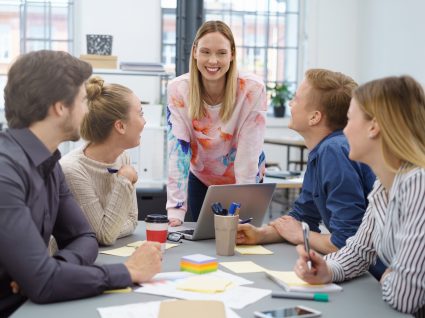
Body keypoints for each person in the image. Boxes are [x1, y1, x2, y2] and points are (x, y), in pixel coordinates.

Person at [0, 50, 161, 316]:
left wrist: (54, 269)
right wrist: (128, 271)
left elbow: (84, 237)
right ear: (60, 107)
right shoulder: (6, 174)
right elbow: (44, 283)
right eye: (83, 100)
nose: (88, 110)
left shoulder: (50, 162)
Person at [294, 75, 425, 317]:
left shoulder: (418, 184)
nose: (344, 130)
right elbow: (359, 252)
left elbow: (406, 298)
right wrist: (327, 270)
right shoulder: (383, 187)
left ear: (373, 127)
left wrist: (388, 276)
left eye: (350, 119)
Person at [237, 69, 376, 255]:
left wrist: (303, 235)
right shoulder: (322, 151)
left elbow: (348, 242)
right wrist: (260, 234)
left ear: (314, 117)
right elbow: (303, 216)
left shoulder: (333, 152)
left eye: (295, 99)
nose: (290, 103)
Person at [166, 20, 267, 226]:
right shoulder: (178, 90)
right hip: (201, 176)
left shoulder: (252, 89)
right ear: (195, 52)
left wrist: (243, 208)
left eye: (221, 53)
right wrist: (175, 210)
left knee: (239, 240)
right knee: (202, 240)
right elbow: (178, 151)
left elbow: (248, 154)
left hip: (243, 178)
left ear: (232, 55)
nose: (213, 60)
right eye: (205, 52)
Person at [60, 76, 142, 246]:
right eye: (140, 114)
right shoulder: (72, 169)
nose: (145, 121)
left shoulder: (122, 157)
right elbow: (104, 236)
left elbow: (132, 220)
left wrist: (108, 227)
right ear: (120, 126)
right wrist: (124, 180)